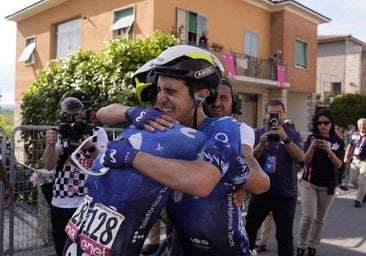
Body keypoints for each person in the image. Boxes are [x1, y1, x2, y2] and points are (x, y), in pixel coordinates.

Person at [98, 45, 270, 255]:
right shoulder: (160, 125)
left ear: (200, 96)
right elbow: (103, 113)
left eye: (170, 91)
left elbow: (202, 183)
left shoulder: (224, 127)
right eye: (159, 90)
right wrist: (132, 112)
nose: (160, 99)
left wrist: (132, 157)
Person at [43, 91, 109, 256]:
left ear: (88, 110)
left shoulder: (98, 132)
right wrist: (50, 144)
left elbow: (104, 164)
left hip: (88, 203)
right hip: (61, 202)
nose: (79, 112)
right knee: (61, 248)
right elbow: (49, 165)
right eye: (74, 108)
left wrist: (90, 147)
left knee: (86, 250)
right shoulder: (61, 131)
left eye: (83, 107)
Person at [245, 100, 304, 256]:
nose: (275, 116)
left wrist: (285, 138)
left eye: (278, 113)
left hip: (285, 194)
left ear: (284, 115)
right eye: (271, 113)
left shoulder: (293, 135)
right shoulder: (257, 134)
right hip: (260, 193)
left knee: (284, 237)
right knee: (249, 231)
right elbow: (249, 160)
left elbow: (301, 158)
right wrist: (261, 144)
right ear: (266, 115)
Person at [296, 109, 344, 256]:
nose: (322, 126)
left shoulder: (338, 142)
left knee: (320, 219)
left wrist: (330, 151)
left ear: (331, 123)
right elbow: (305, 160)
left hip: (328, 185)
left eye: (326, 123)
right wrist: (312, 146)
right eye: (319, 123)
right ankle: (301, 245)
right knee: (308, 216)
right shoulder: (311, 139)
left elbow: (339, 164)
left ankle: (313, 247)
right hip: (309, 182)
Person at [344, 118, 366, 208]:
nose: (362, 127)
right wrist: (346, 156)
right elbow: (350, 146)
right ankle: (364, 191)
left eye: (364, 125)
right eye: (360, 125)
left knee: (362, 180)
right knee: (353, 180)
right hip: (355, 160)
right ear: (358, 126)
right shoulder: (355, 135)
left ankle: (358, 200)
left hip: (365, 161)